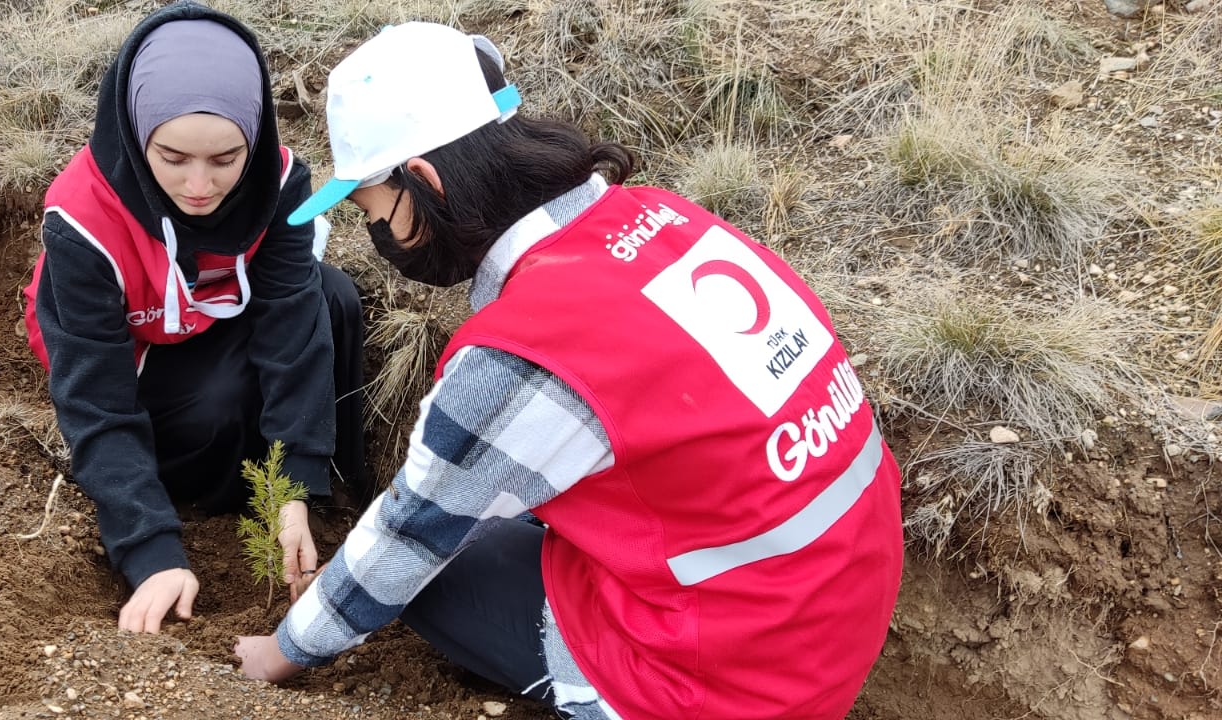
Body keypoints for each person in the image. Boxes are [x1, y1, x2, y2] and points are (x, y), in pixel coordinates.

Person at [233, 23, 904, 720]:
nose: (381, 239)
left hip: (726, 681)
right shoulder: (667, 218)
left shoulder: (524, 352)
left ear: (425, 181)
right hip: (836, 610)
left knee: (430, 566)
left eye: (376, 214)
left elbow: (411, 533)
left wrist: (283, 650)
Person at [22, 2, 364, 636]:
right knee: (218, 400)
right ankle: (207, 499)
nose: (200, 186)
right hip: (135, 352)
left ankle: (321, 492)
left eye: (226, 159)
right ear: (136, 129)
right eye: (174, 159)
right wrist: (148, 552)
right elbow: (96, 401)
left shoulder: (279, 182)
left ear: (255, 138)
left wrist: (293, 486)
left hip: (206, 323)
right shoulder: (80, 220)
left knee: (334, 298)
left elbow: (292, 329)